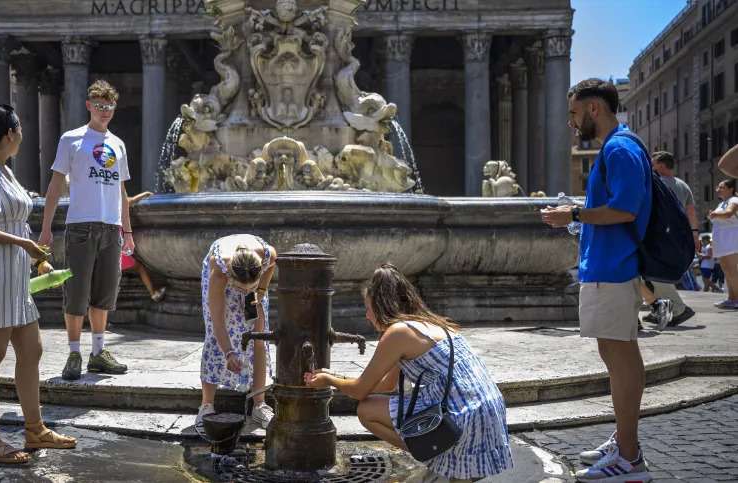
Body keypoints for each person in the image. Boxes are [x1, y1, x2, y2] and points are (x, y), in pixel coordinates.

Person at [304, 264, 512, 482]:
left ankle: (427, 451)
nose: (367, 316)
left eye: (368, 308)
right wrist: (337, 376)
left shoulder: (397, 333)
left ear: (381, 305)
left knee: (366, 410)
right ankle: (434, 455)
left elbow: (359, 391)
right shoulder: (426, 323)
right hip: (487, 406)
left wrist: (329, 379)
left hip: (463, 414)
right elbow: (386, 385)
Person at [542, 79, 652, 482]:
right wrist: (578, 214)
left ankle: (630, 458)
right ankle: (624, 440)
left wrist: (572, 216)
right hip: (609, 266)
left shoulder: (619, 147)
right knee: (617, 355)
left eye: (574, 113)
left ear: (593, 109)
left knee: (620, 357)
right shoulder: (619, 146)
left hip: (613, 267)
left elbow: (625, 209)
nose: (571, 122)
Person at [0, 104, 76, 463]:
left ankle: (35, 430)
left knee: (32, 349)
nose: (22, 135)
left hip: (15, 279)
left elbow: (15, 220)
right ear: (10, 133)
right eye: (20, 128)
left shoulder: (4, 171)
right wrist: (22, 243)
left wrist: (36, 256)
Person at [38, 80, 134, 380]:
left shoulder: (118, 144)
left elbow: (122, 192)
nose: (105, 111)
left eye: (109, 107)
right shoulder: (72, 139)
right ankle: (74, 353)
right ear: (89, 105)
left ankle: (98, 352)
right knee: (76, 293)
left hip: (111, 227)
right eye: (100, 106)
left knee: (105, 292)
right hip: (80, 225)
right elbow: (55, 186)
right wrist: (45, 228)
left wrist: (127, 231)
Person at [196, 234, 276, 430]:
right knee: (215, 340)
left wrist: (259, 291)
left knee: (259, 336)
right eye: (240, 289)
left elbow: (271, 266)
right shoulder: (219, 269)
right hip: (228, 277)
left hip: (254, 288)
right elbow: (217, 323)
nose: (242, 292)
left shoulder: (267, 255)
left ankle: (259, 405)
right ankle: (206, 406)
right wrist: (229, 353)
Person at [637, 151, 697, 330]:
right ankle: (662, 310)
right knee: (651, 273)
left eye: (653, 163)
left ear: (661, 166)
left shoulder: (656, 183)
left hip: (659, 234)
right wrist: (694, 234)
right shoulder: (683, 185)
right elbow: (691, 211)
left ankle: (676, 309)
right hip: (677, 235)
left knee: (653, 273)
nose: (651, 166)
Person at [122, 191, 165, 302]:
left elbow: (129, 200)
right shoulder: (119, 202)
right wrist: (145, 194)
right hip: (116, 252)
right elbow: (130, 200)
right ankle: (153, 293)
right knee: (139, 267)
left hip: (109, 250)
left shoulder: (109, 204)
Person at [708, 178, 738, 309]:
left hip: (731, 238)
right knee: (726, 270)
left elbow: (729, 213)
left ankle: (736, 299)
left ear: (730, 189)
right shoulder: (722, 203)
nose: (717, 190)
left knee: (732, 270)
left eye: (721, 187)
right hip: (722, 239)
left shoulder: (734, 200)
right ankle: (731, 298)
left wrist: (715, 214)